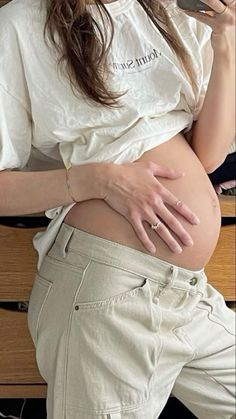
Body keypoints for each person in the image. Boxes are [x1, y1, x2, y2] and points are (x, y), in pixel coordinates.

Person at [0, 0, 235, 417]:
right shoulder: (21, 23)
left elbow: (208, 156)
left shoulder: (170, 10)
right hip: (105, 293)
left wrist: (225, 39)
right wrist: (96, 180)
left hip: (183, 292)